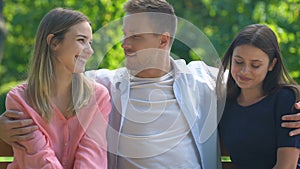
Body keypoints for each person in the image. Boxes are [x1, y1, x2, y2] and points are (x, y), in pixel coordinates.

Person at [1, 1, 300, 169]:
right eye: (124, 34)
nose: (123, 44)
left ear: (163, 40)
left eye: (134, 36)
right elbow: (39, 90)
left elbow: (260, 84)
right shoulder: (103, 84)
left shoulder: (202, 79)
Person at [3, 7, 111, 169]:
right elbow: (40, 159)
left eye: (90, 42)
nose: (90, 51)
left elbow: (92, 157)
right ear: (54, 43)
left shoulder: (98, 97)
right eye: (81, 40)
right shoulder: (20, 99)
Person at [218, 24, 300, 169]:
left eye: (255, 65)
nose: (244, 71)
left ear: (272, 64)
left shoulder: (285, 100)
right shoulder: (224, 104)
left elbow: (286, 166)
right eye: (238, 62)